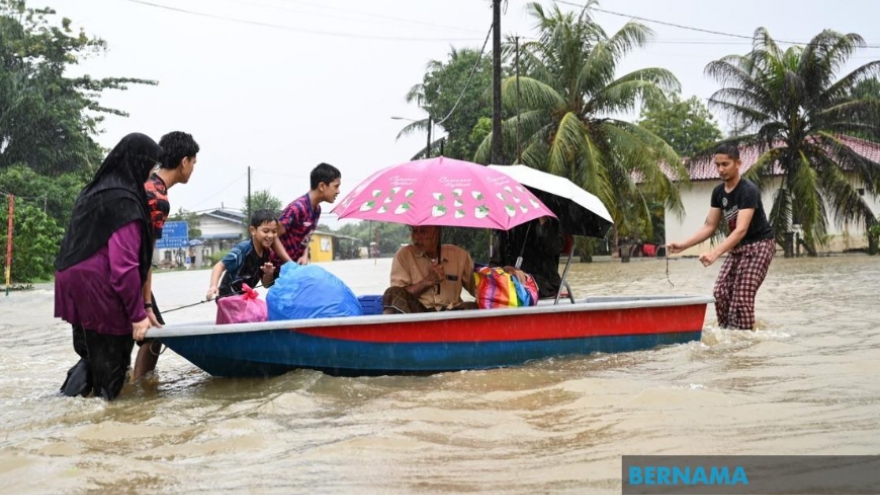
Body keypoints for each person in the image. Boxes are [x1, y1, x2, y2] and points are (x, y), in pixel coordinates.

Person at [55, 133, 161, 400]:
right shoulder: (123, 200)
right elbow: (123, 266)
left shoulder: (95, 190)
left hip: (71, 281)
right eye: (151, 167)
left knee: (91, 356)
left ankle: (63, 405)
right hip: (99, 285)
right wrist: (137, 316)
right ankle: (108, 420)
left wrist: (145, 307)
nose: (151, 174)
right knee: (112, 364)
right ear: (139, 163)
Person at [667, 143, 775, 330]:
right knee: (721, 292)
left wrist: (715, 253)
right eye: (717, 165)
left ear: (738, 163)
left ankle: (745, 338)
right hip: (738, 247)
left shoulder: (748, 191)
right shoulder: (718, 192)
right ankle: (728, 335)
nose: (721, 169)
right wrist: (683, 245)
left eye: (725, 164)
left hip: (760, 246)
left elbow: (741, 229)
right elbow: (710, 226)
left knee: (741, 298)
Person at [133, 131, 200, 381]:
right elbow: (144, 252)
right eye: (193, 163)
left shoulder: (145, 182)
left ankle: (135, 388)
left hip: (105, 270)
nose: (193, 169)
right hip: (125, 273)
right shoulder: (158, 197)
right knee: (154, 333)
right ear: (184, 161)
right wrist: (146, 303)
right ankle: (141, 391)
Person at [382, 225, 478, 313]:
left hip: (452, 313)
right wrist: (426, 282)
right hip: (419, 315)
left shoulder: (459, 255)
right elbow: (399, 295)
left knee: (474, 306)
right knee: (392, 293)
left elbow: (478, 289)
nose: (416, 237)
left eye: (423, 232)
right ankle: (393, 331)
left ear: (437, 233)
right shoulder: (403, 255)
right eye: (414, 231)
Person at [272, 163, 341, 267]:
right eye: (336, 186)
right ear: (322, 186)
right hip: (280, 272)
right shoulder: (297, 208)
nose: (338, 191)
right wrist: (289, 262)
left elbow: (306, 237)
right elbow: (273, 235)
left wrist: (304, 256)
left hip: (296, 269)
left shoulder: (317, 209)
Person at [206, 209, 278, 300]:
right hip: (228, 299)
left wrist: (268, 274)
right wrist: (213, 286)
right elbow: (220, 265)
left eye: (274, 231)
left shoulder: (267, 254)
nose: (271, 235)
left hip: (244, 299)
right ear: (253, 230)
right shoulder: (243, 249)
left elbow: (266, 284)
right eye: (266, 231)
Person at [494, 216, 563, 298]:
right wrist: (507, 269)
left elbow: (554, 249)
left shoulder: (551, 222)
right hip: (511, 279)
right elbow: (494, 265)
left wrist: (544, 222)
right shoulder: (507, 223)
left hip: (544, 282)